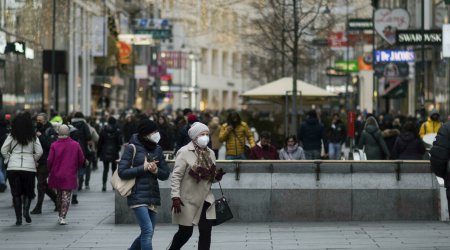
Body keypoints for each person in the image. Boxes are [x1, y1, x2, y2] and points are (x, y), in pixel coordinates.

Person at [168, 122, 225, 250]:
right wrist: (175, 197)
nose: (205, 137)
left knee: (206, 232)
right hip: (188, 200)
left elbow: (209, 178)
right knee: (185, 233)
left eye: (207, 134)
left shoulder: (210, 153)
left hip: (206, 199)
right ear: (194, 137)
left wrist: (216, 177)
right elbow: (176, 176)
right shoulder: (183, 152)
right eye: (202, 134)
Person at [118, 119, 170, 250]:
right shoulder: (132, 148)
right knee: (147, 231)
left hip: (152, 195)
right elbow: (122, 172)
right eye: (154, 132)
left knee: (148, 232)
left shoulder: (157, 148)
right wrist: (143, 168)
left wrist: (156, 170)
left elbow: (165, 174)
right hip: (137, 194)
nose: (157, 134)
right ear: (145, 133)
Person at [1, 112, 43, 225]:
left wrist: (8, 158)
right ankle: (26, 211)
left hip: (13, 167)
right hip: (29, 167)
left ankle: (18, 218)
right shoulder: (33, 136)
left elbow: (3, 150)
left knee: (16, 193)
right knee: (28, 192)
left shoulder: (11, 135)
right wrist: (33, 158)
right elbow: (40, 151)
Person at [47, 125, 85, 225]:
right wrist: (76, 166)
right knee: (66, 196)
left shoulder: (54, 145)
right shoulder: (75, 144)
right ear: (68, 133)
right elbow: (81, 159)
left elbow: (50, 160)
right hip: (69, 173)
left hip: (57, 173)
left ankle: (60, 214)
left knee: (59, 194)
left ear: (58, 133)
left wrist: (50, 170)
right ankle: (63, 216)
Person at [31, 113, 58, 214]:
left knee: (40, 183)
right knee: (43, 184)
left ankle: (39, 206)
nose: (38, 122)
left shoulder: (50, 130)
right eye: (37, 120)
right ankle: (57, 200)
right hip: (36, 160)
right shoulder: (35, 130)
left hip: (46, 160)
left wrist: (41, 136)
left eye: (40, 120)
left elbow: (50, 146)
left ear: (45, 120)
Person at [97, 117, 122, 192]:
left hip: (105, 152)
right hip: (114, 152)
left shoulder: (103, 130)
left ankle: (104, 185)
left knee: (105, 169)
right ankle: (114, 186)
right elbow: (119, 142)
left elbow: (99, 143)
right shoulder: (117, 131)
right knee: (114, 170)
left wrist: (98, 153)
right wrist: (118, 149)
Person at [70, 112, 92, 191]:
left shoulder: (71, 124)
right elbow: (89, 136)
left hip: (71, 148)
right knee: (81, 165)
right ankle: (80, 182)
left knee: (73, 166)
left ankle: (75, 182)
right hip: (82, 147)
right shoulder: (84, 124)